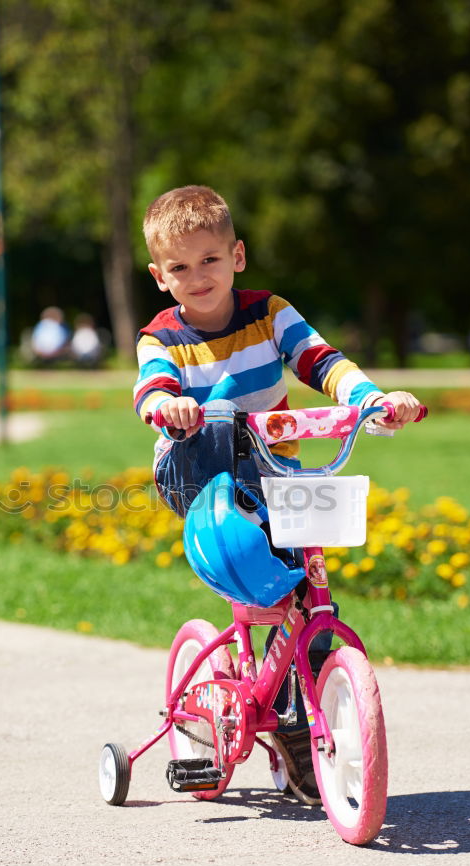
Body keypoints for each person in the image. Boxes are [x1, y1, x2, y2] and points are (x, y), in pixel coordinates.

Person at [133, 184, 423, 802]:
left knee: (302, 593)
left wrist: (371, 400)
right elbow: (151, 388)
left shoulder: (268, 312)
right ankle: (264, 694)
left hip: (272, 467)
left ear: (237, 256)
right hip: (194, 465)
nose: (198, 276)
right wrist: (169, 405)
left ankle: (295, 717)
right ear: (160, 277)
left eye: (210, 259)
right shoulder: (160, 338)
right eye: (180, 268)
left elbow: (319, 358)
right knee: (242, 519)